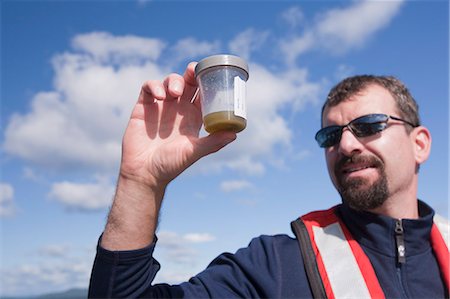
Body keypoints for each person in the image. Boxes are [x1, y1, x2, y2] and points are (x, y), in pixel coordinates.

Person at [88, 62, 449, 298]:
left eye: (369, 125)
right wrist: (141, 181)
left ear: (420, 144)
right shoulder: (273, 267)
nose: (346, 144)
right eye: (330, 136)